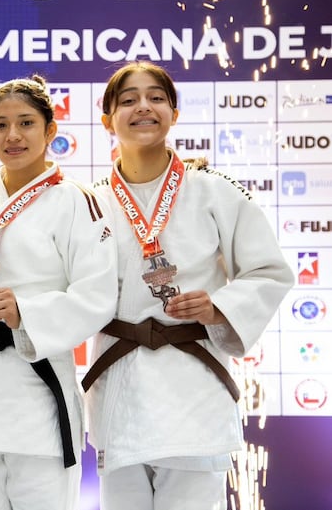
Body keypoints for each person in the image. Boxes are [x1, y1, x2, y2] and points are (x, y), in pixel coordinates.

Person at [82, 60, 294, 510]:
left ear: (174, 114)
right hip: (119, 383)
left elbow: (269, 271)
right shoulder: (90, 201)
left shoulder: (216, 190)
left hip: (193, 386)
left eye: (156, 97)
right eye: (129, 100)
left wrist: (217, 307)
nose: (144, 107)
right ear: (107, 121)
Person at [0, 75, 119, 510]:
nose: (12, 135)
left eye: (26, 123)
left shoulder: (78, 201)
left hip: (36, 389)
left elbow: (97, 295)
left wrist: (26, 312)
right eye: (0, 125)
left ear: (50, 131)